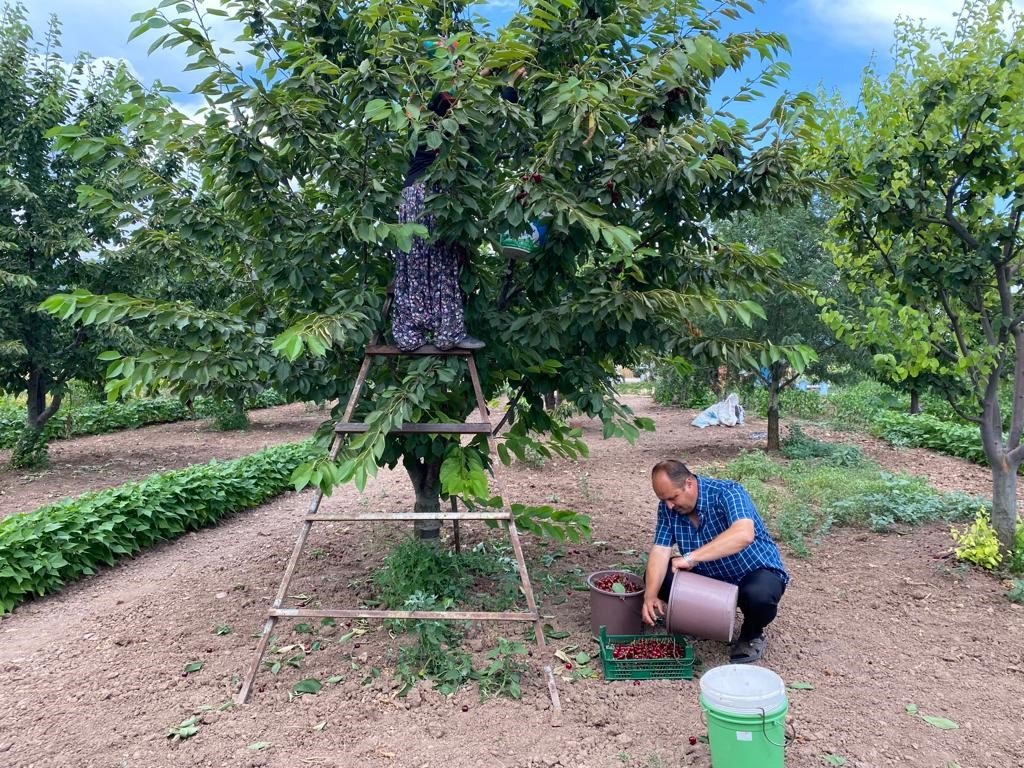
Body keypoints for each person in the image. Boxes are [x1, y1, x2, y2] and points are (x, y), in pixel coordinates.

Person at [391, 56, 524, 352]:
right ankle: (438, 333)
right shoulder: (434, 114)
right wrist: (483, 70)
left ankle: (420, 334)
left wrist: (511, 81)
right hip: (426, 193)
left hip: (433, 198)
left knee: (428, 260)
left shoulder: (463, 122)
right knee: (430, 260)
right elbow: (449, 94)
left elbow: (498, 112)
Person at [642, 459, 788, 664]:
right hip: (710, 575)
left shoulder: (728, 492)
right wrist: (649, 596)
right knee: (660, 577)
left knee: (760, 596)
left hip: (752, 571)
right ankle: (702, 621)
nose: (669, 505)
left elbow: (744, 534)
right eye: (663, 499)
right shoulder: (668, 508)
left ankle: (751, 635)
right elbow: (660, 550)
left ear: (689, 484)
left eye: (673, 497)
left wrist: (691, 557)